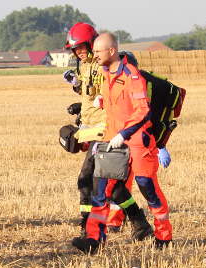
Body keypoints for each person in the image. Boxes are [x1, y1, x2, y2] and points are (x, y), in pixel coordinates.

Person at [72, 33, 172, 253]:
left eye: (98, 51)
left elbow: (142, 110)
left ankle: (163, 235)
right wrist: (102, 101)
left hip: (137, 141)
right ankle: (94, 240)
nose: (94, 55)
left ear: (111, 51)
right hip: (112, 141)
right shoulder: (106, 74)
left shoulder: (132, 75)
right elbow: (117, 104)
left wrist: (125, 133)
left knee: (147, 187)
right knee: (101, 189)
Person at [62, 22, 152, 241]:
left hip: (106, 131)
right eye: (76, 49)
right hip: (91, 129)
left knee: (88, 180)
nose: (79, 52)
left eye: (83, 47)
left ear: (93, 44)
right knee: (114, 188)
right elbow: (90, 93)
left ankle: (89, 230)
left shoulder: (104, 64)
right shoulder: (84, 66)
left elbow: (116, 89)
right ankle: (140, 224)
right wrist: (78, 96)